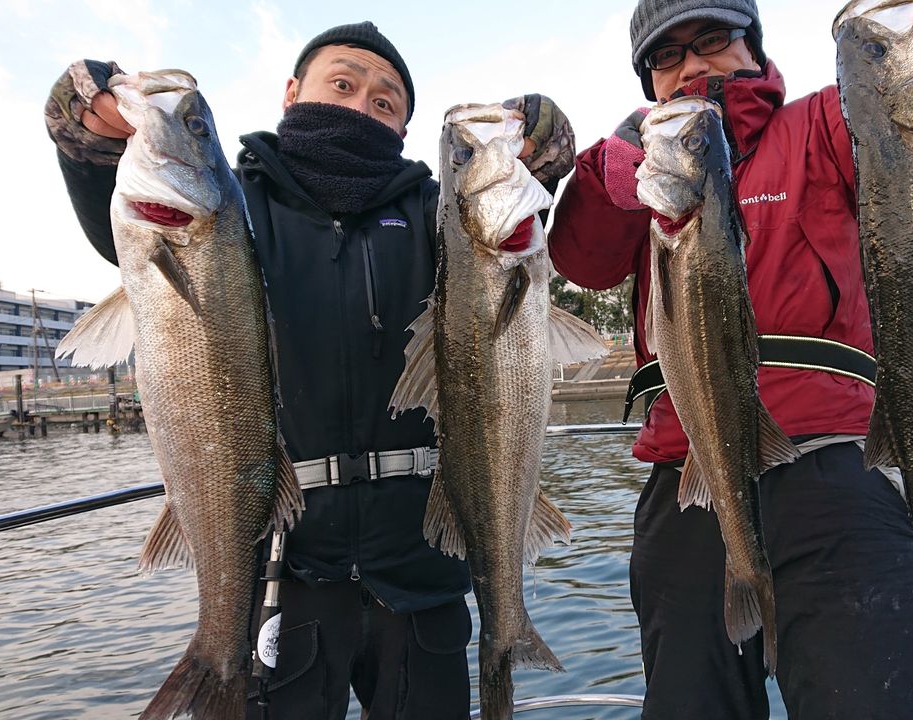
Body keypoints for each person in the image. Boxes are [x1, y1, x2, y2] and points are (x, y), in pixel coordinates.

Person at [44, 21, 575, 720]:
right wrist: (86, 127)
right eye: (343, 83)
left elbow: (499, 234)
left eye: (385, 102)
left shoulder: (433, 213)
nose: (361, 105)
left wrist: (542, 149)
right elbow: (108, 195)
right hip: (283, 567)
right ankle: (214, 660)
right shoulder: (230, 204)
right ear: (292, 93)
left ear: (404, 128)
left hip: (420, 569)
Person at [548, 1, 913, 718]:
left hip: (832, 466)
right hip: (688, 478)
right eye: (666, 56)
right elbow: (582, 260)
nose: (692, 64)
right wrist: (601, 175)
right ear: (648, 81)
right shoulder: (649, 177)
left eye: (713, 38)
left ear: (753, 47)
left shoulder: (827, 122)